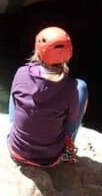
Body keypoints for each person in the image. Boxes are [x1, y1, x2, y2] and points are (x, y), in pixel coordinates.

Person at [7, 26, 88, 167]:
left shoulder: (22, 72)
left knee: (18, 88)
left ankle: (13, 125)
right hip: (50, 158)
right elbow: (71, 119)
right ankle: (69, 144)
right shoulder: (70, 88)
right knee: (81, 86)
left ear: (38, 52)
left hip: (16, 150)